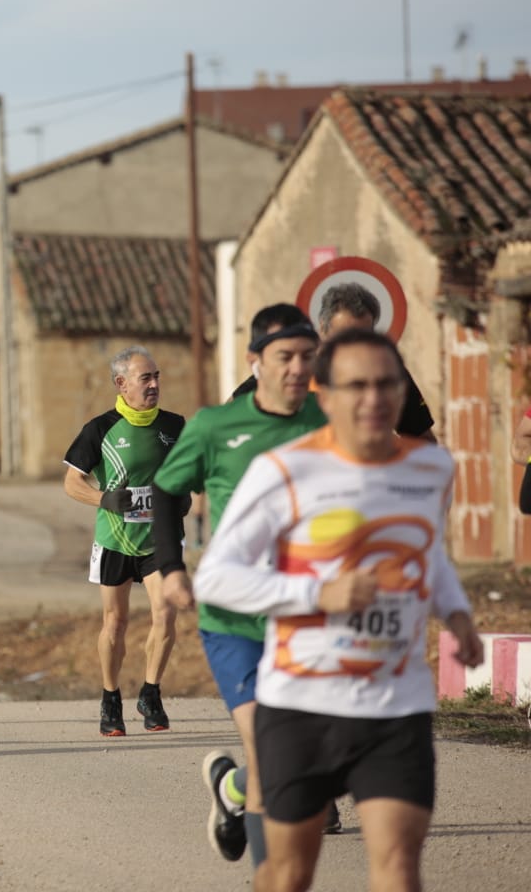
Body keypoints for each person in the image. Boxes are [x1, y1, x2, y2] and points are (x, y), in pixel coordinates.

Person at [194, 327, 483, 892]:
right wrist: (314, 595)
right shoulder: (285, 470)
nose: (373, 399)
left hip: (395, 707)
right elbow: (217, 575)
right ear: (325, 395)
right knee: (287, 875)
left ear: (403, 392)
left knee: (399, 871)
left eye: (386, 384)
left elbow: (424, 550)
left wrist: (457, 612)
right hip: (301, 705)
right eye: (356, 386)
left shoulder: (430, 469)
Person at [150, 304, 325, 870]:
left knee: (300, 753)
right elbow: (164, 492)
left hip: (310, 615)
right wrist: (172, 566)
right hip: (235, 618)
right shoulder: (214, 426)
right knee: (272, 744)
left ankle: (232, 791)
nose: (298, 368)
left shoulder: (331, 421)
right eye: (285, 357)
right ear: (256, 361)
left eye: (307, 357)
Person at [62, 346, 186, 736]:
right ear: (121, 383)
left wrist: (184, 494)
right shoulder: (100, 429)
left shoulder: (175, 425)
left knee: (166, 614)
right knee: (115, 623)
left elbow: (191, 470)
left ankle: (150, 692)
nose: (153, 384)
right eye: (144, 378)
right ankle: (110, 696)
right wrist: (104, 499)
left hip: (160, 540)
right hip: (115, 539)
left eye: (156, 376)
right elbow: (70, 483)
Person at [230, 282, 434, 439]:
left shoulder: (389, 373)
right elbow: (228, 419)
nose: (353, 346)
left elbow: (423, 443)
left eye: (363, 336)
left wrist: (381, 451)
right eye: (343, 336)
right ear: (323, 330)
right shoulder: (296, 370)